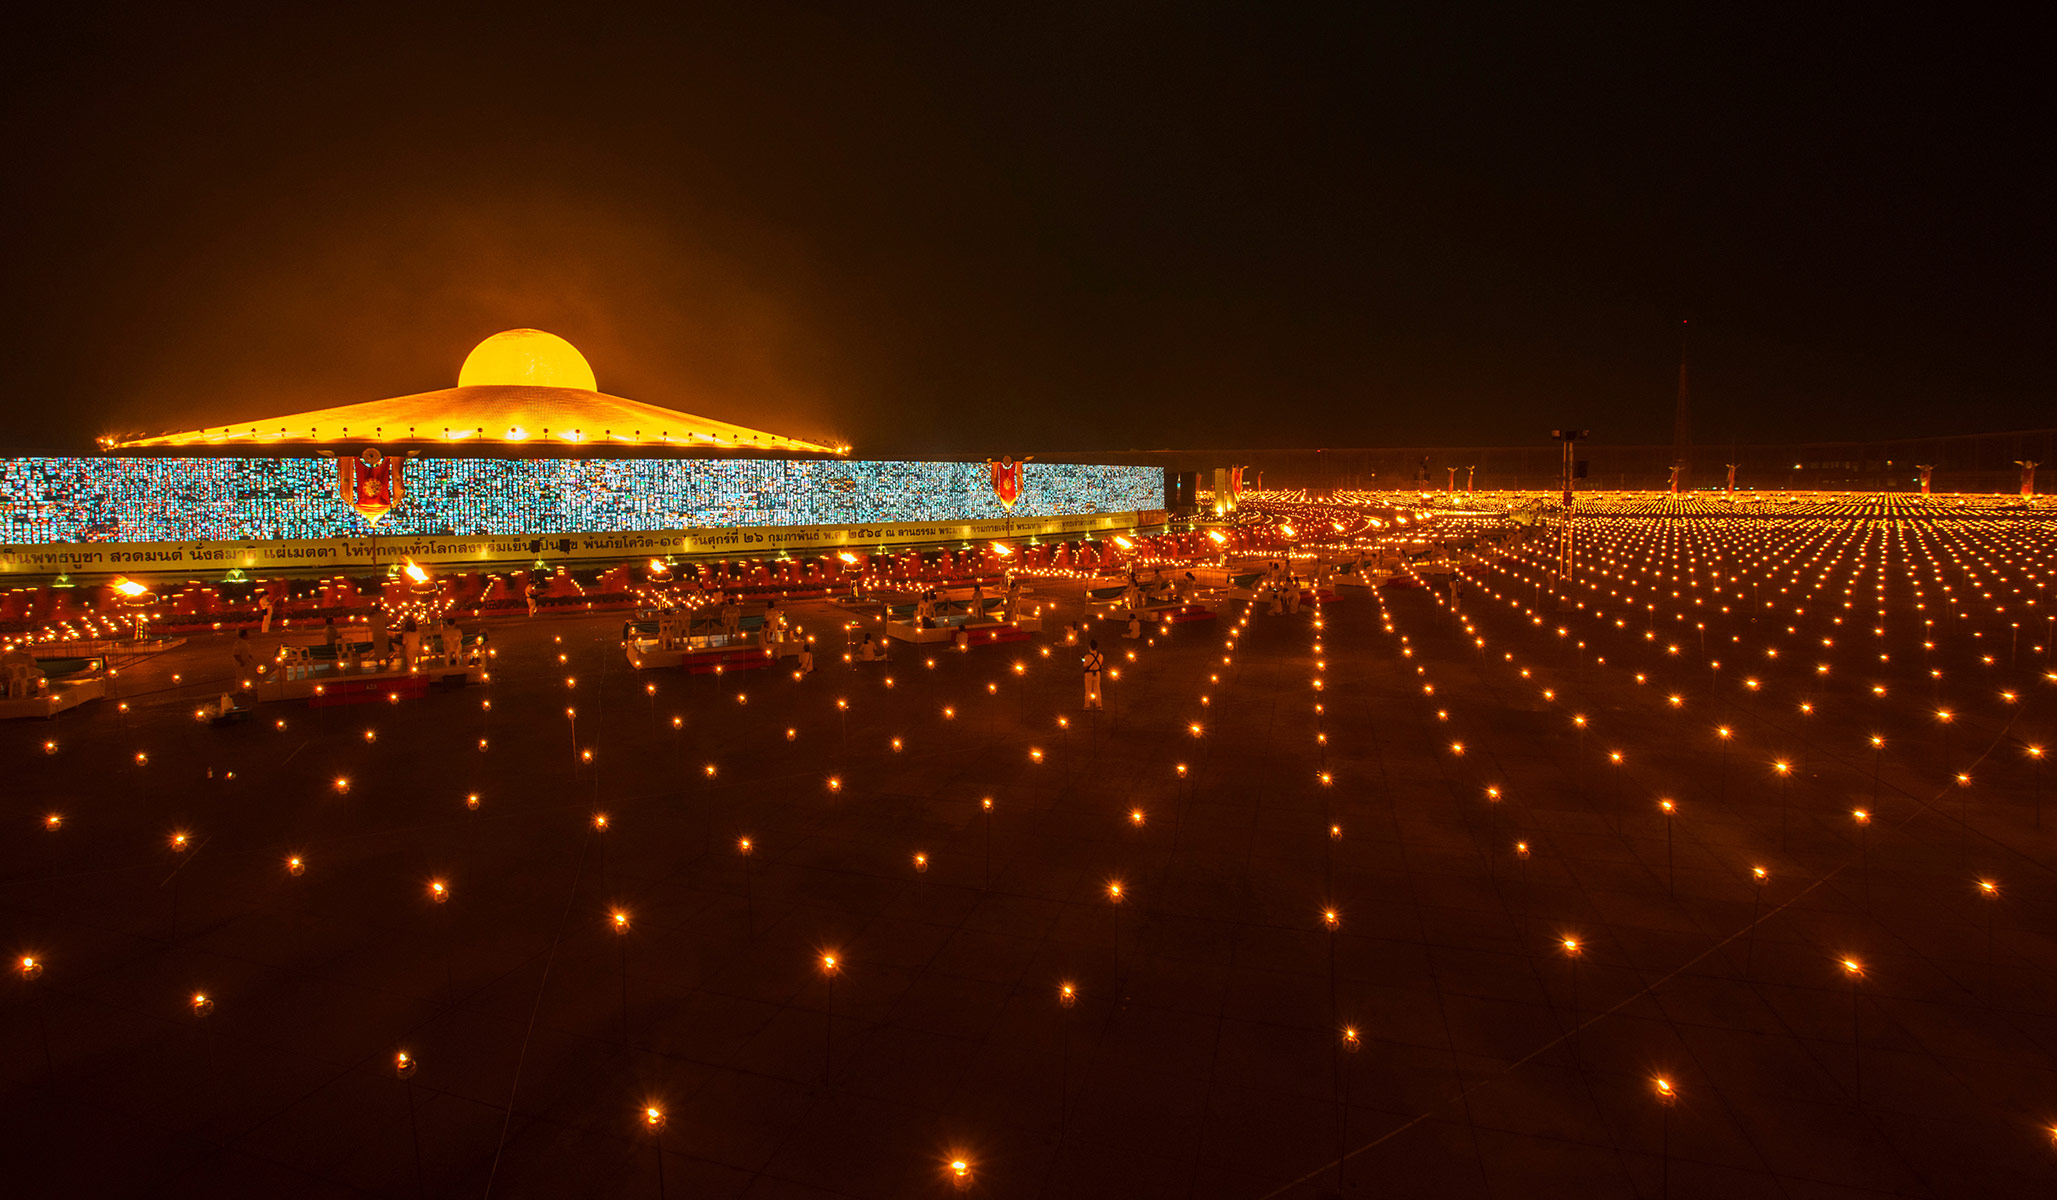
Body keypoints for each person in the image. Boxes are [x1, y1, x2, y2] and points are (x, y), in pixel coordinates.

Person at [1082, 639, 1104, 710]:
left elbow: (1085, 667)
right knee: (1097, 689)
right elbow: (1101, 664)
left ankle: (1087, 705)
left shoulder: (1087, 656)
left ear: (1090, 647)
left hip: (1089, 674)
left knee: (1088, 689)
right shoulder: (1100, 656)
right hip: (1097, 674)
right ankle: (1099, 705)